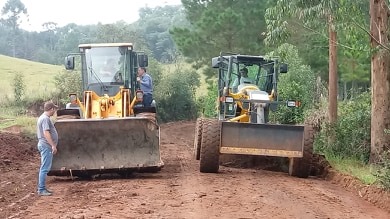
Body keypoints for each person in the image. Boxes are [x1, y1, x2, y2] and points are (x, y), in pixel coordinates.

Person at [36, 101, 58, 196]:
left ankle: (43, 188)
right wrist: (53, 145)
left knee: (44, 167)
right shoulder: (45, 119)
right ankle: (41, 189)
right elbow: (46, 133)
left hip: (44, 145)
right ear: (51, 109)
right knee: (44, 168)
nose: (55, 111)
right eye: (54, 109)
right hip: (46, 146)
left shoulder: (44, 118)